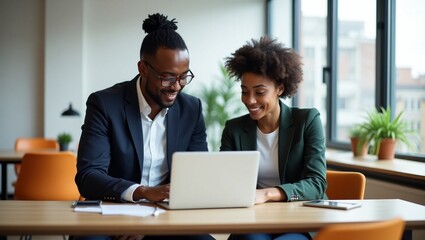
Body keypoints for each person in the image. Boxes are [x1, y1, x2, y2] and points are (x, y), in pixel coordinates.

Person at [73, 13, 213, 240]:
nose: (176, 87)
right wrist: (143, 193)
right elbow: (89, 177)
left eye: (183, 77)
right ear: (143, 69)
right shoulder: (105, 104)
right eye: (167, 77)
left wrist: (151, 223)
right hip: (112, 212)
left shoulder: (191, 109)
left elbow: (196, 176)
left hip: (167, 216)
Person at [220, 36, 327, 240]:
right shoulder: (233, 129)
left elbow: (317, 184)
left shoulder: (307, 121)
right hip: (254, 220)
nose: (250, 100)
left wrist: (268, 193)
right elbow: (227, 182)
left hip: (298, 221)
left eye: (259, 92)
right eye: (244, 92)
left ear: (280, 88)